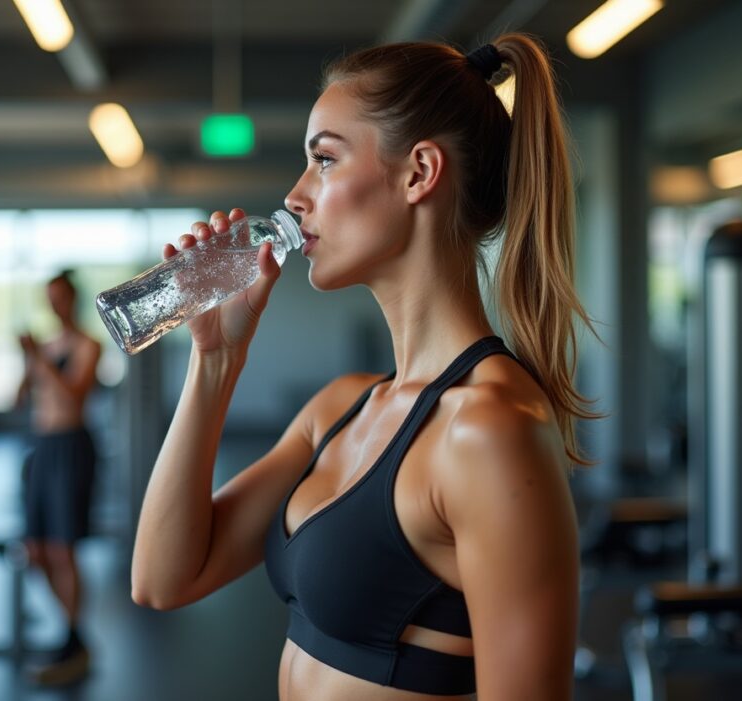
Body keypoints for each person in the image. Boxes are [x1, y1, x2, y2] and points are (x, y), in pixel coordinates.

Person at [132, 35, 595, 699]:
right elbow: (163, 578)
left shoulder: (487, 430)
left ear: (418, 173)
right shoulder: (340, 408)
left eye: (323, 160)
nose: (295, 196)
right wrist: (216, 359)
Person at [16, 270, 101, 685]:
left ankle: (73, 637)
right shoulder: (45, 348)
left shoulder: (89, 344)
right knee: (35, 550)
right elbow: (18, 398)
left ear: (73, 300)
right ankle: (72, 630)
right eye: (49, 299)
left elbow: (75, 394)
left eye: (61, 298)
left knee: (64, 549)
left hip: (72, 445)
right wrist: (26, 361)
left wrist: (41, 360)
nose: (55, 306)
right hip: (42, 448)